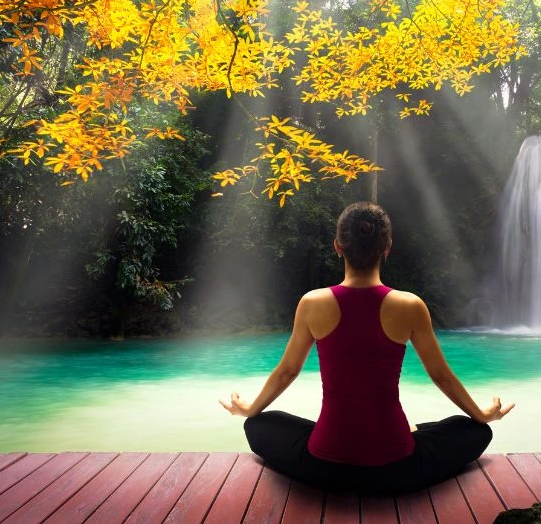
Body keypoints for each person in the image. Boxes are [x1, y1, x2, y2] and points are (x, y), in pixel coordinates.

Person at [219, 201, 514, 494]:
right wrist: (482, 414)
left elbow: (287, 372)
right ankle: (411, 430)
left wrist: (250, 408)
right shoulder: (410, 306)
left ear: (337, 246)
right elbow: (440, 376)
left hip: (324, 467)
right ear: (387, 248)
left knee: (258, 425)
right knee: (475, 430)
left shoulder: (312, 303)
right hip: (397, 469)